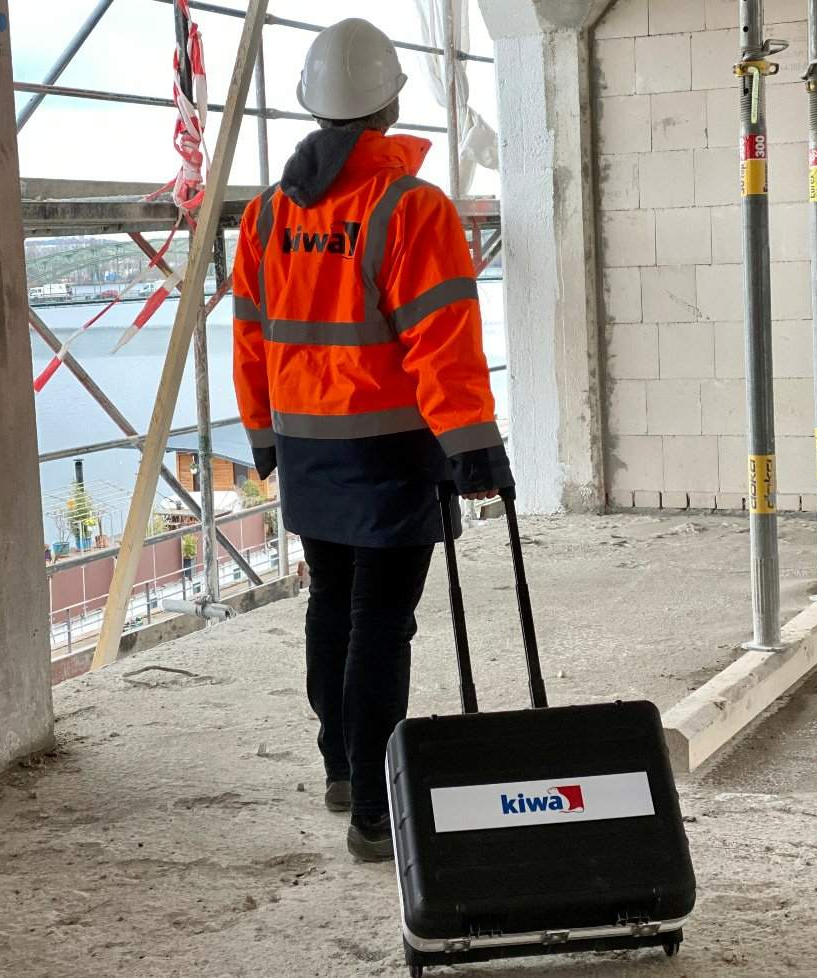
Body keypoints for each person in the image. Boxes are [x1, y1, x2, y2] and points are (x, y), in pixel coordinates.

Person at [232, 18, 514, 861]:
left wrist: (262, 433)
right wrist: (472, 445)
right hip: (391, 452)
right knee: (382, 621)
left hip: (309, 451)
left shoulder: (268, 214)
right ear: (391, 103)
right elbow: (442, 339)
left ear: (313, 106)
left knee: (331, 605)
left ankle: (343, 770)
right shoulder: (412, 207)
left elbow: (250, 335)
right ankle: (374, 815)